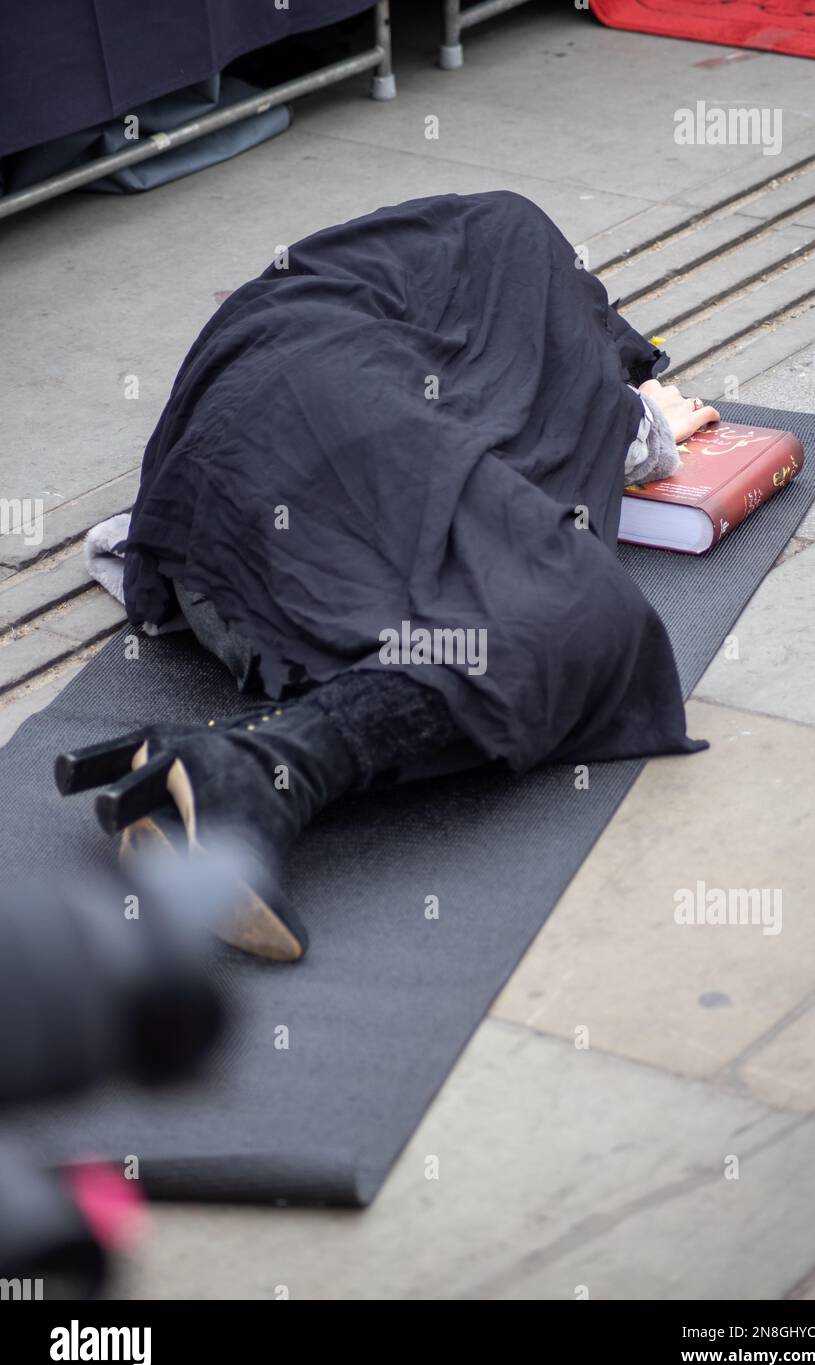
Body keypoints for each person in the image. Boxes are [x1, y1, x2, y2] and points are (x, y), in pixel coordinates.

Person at [57, 191, 717, 961]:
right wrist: (640, 423)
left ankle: (232, 769)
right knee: (584, 614)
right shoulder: (530, 265)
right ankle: (254, 762)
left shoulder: (432, 259)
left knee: (464, 620)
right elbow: (541, 449)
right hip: (306, 464)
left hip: (207, 543)